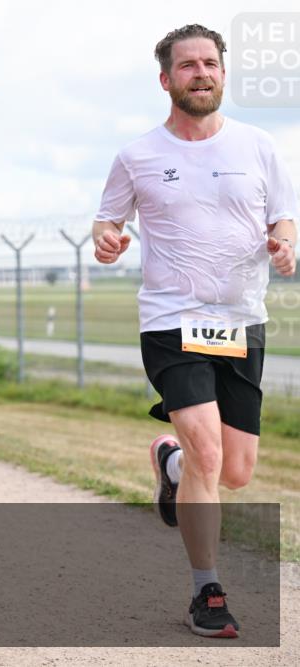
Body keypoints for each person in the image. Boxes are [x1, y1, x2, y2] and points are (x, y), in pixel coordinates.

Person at [93, 24, 297, 639]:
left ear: (224, 73)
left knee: (235, 471)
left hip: (241, 322)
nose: (201, 73)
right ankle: (206, 589)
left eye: (211, 63)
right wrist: (106, 241)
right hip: (170, 320)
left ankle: (173, 466)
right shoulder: (138, 156)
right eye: (188, 66)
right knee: (211, 452)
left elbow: (283, 219)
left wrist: (285, 244)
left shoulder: (259, 146)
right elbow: (106, 223)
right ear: (166, 79)